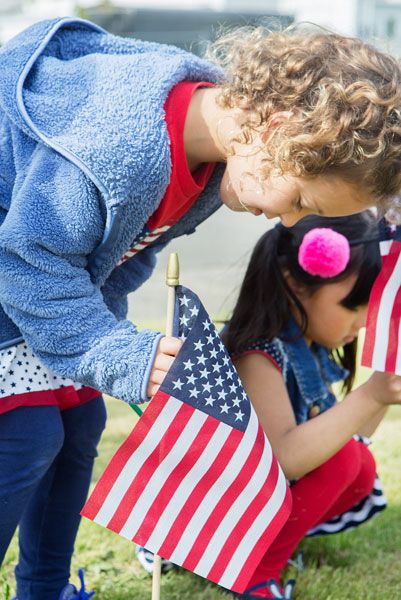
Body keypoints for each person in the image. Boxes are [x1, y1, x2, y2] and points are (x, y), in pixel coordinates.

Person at [1, 15, 401, 600]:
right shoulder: (120, 142)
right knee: (27, 432)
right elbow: (29, 257)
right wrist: (112, 350)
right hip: (17, 265)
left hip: (35, 281)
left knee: (81, 419)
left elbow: (125, 250)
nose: (288, 221)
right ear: (277, 127)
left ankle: (44, 589)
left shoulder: (217, 164)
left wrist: (104, 329)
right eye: (298, 200)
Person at [222, 212, 401, 599]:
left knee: (357, 464)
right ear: (296, 286)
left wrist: (384, 388)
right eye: (353, 307)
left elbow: (352, 436)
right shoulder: (257, 354)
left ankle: (273, 546)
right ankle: (253, 571)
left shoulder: (309, 346)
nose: (362, 322)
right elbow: (284, 458)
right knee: (345, 461)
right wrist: (368, 394)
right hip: (213, 513)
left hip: (258, 501)